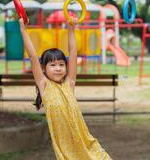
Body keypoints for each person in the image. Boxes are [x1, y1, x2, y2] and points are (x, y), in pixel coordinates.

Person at [19, 17, 112, 160]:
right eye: (53, 65)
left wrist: (71, 30)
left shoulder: (69, 83)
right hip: (65, 148)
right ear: (43, 69)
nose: (58, 68)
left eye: (61, 65)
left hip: (83, 140)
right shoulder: (44, 84)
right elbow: (32, 56)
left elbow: (73, 52)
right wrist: (23, 30)